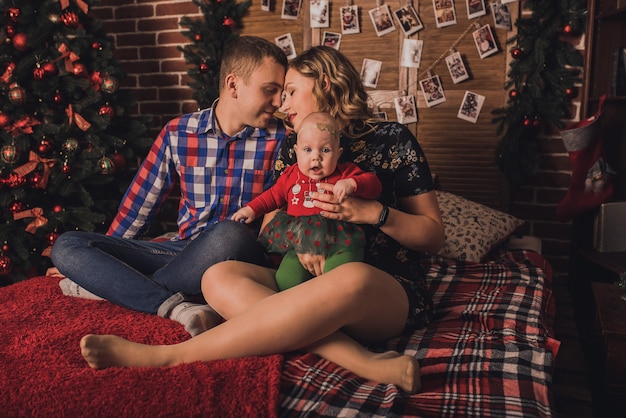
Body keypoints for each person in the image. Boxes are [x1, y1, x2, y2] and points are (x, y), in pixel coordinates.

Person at [78, 45, 445, 394]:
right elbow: (270, 226)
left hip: (382, 286)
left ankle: (168, 357)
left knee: (351, 277)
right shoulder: (292, 147)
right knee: (218, 276)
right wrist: (304, 241)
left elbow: (433, 235)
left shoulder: (392, 139)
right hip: (302, 278)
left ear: (325, 85)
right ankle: (364, 361)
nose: (283, 106)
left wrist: (374, 213)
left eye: (290, 92)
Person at [47, 36, 289, 336]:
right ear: (233, 85)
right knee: (68, 246)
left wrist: (97, 275)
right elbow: (139, 206)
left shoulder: (284, 141)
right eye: (270, 90)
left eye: (281, 92)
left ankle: (114, 287)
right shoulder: (178, 132)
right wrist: (104, 257)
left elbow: (279, 218)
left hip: (236, 257)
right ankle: (174, 304)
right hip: (180, 254)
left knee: (230, 232)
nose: (279, 102)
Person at [231, 111, 382, 290]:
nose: (315, 157)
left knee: (341, 278)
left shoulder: (344, 173)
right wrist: (251, 209)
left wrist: (352, 183)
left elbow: (374, 185)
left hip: (339, 241)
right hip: (299, 242)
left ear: (338, 153)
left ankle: (334, 308)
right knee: (286, 279)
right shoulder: (290, 175)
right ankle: (298, 310)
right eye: (307, 150)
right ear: (296, 151)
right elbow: (272, 196)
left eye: (325, 150)